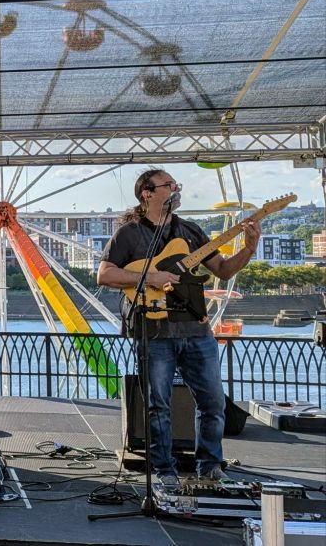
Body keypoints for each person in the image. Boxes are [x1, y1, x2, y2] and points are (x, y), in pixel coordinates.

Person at [97, 169, 260, 488]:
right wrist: (151, 278)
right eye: (168, 184)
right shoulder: (129, 234)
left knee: (213, 403)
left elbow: (223, 270)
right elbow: (104, 275)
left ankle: (210, 467)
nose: (176, 188)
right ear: (147, 193)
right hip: (155, 331)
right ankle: (164, 470)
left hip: (197, 330)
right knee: (158, 405)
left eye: (176, 183)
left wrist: (249, 248)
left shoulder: (190, 230)